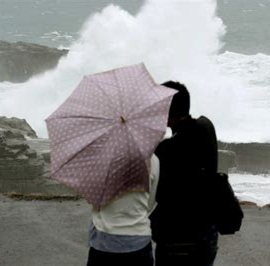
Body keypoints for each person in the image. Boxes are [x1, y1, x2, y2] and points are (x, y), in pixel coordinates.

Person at [150, 81, 219, 266]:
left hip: (176, 240)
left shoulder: (165, 150)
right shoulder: (206, 127)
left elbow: (158, 193)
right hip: (207, 233)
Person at [86, 155, 159, 266]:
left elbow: (91, 198)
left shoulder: (101, 157)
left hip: (104, 240)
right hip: (139, 239)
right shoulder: (152, 159)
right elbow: (150, 203)